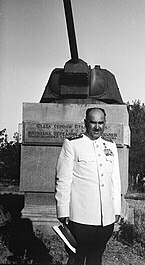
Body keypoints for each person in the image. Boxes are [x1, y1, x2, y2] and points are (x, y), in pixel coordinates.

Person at [55, 107, 121, 265]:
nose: (97, 127)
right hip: (80, 218)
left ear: (105, 123)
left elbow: (115, 181)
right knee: (77, 257)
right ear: (85, 123)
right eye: (93, 122)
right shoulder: (72, 145)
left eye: (101, 123)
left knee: (96, 258)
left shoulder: (110, 146)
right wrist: (63, 211)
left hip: (105, 220)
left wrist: (116, 210)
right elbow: (63, 180)